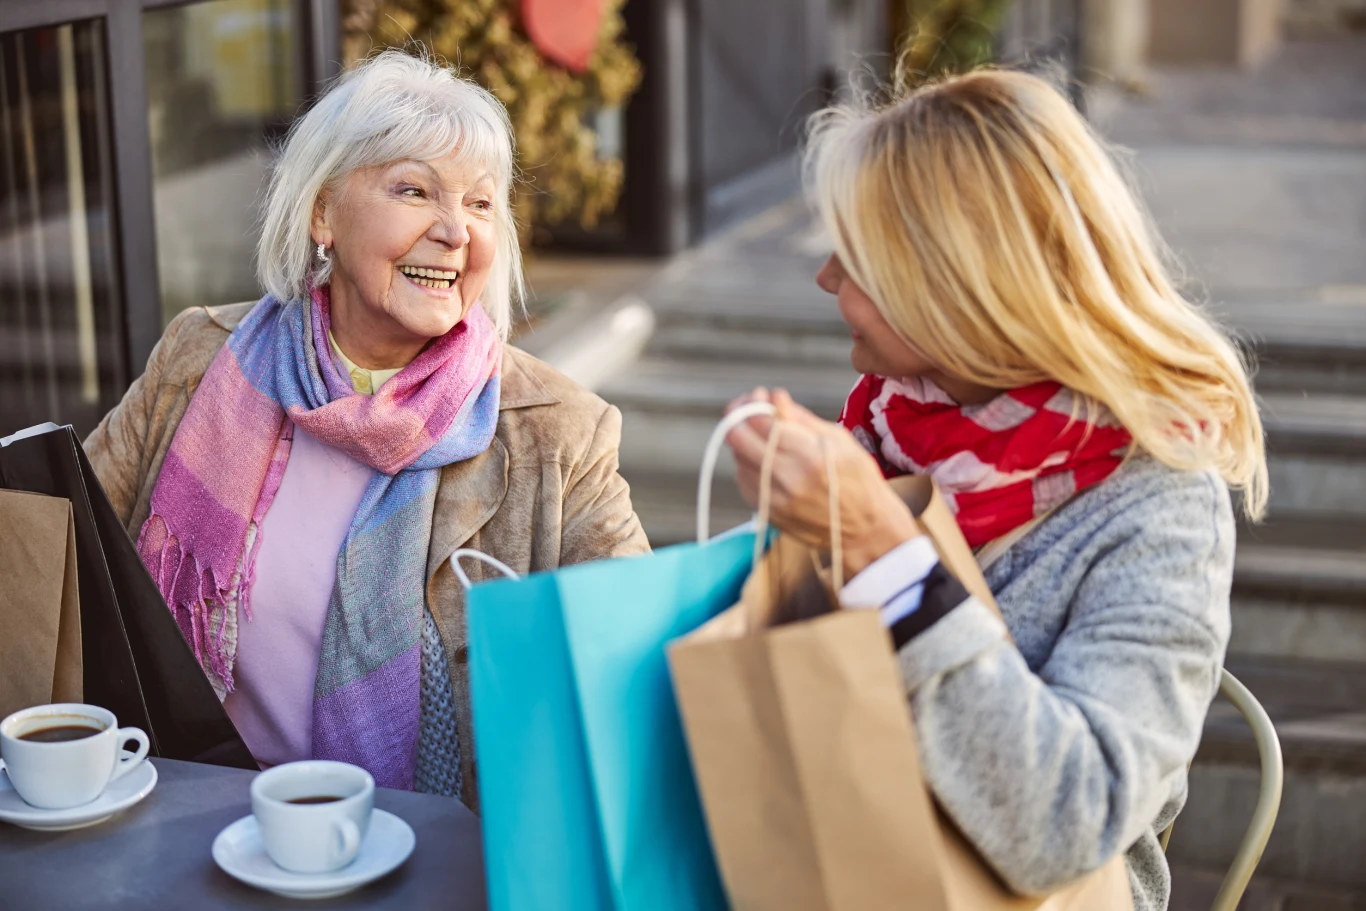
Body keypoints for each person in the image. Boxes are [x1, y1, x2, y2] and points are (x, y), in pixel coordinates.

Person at [725, 68, 1265, 911]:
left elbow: (1066, 823)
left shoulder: (1158, 503)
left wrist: (880, 547)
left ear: (961, 285)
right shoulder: (889, 426)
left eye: (858, 258)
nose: (827, 279)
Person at [85, 50, 648, 808]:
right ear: (323, 213)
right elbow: (68, 551)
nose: (455, 231)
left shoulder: (558, 433)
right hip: (200, 823)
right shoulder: (200, 360)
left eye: (481, 204)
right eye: (413, 190)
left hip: (434, 855)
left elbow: (637, 650)